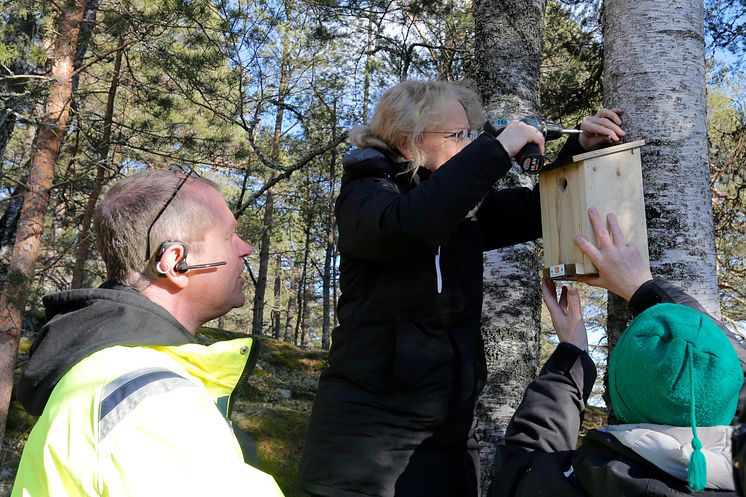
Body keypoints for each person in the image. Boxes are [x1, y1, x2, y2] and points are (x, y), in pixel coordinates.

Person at [297, 79, 626, 497]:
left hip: (449, 442)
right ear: (409, 137)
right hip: (365, 450)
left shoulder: (460, 206)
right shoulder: (366, 194)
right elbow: (409, 226)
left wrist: (582, 149)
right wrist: (493, 151)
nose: (468, 143)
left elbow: (534, 210)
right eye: (458, 135)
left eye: (471, 134)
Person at [11, 169, 284, 497]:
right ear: (176, 263)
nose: (247, 248)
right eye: (230, 235)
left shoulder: (100, 370)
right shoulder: (151, 401)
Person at [489, 207, 746, 497]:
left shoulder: (579, 482)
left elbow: (520, 468)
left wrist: (570, 358)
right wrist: (643, 287)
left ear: (619, 395)